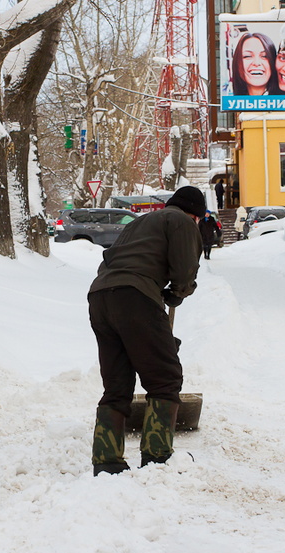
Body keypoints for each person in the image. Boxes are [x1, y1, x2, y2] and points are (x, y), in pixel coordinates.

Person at [87, 186, 204, 476]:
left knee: (117, 384)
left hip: (100, 297)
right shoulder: (182, 222)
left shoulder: (140, 222)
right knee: (165, 378)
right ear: (196, 215)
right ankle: (157, 458)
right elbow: (185, 268)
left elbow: (117, 258)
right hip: (135, 296)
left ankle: (106, 460)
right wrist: (179, 291)